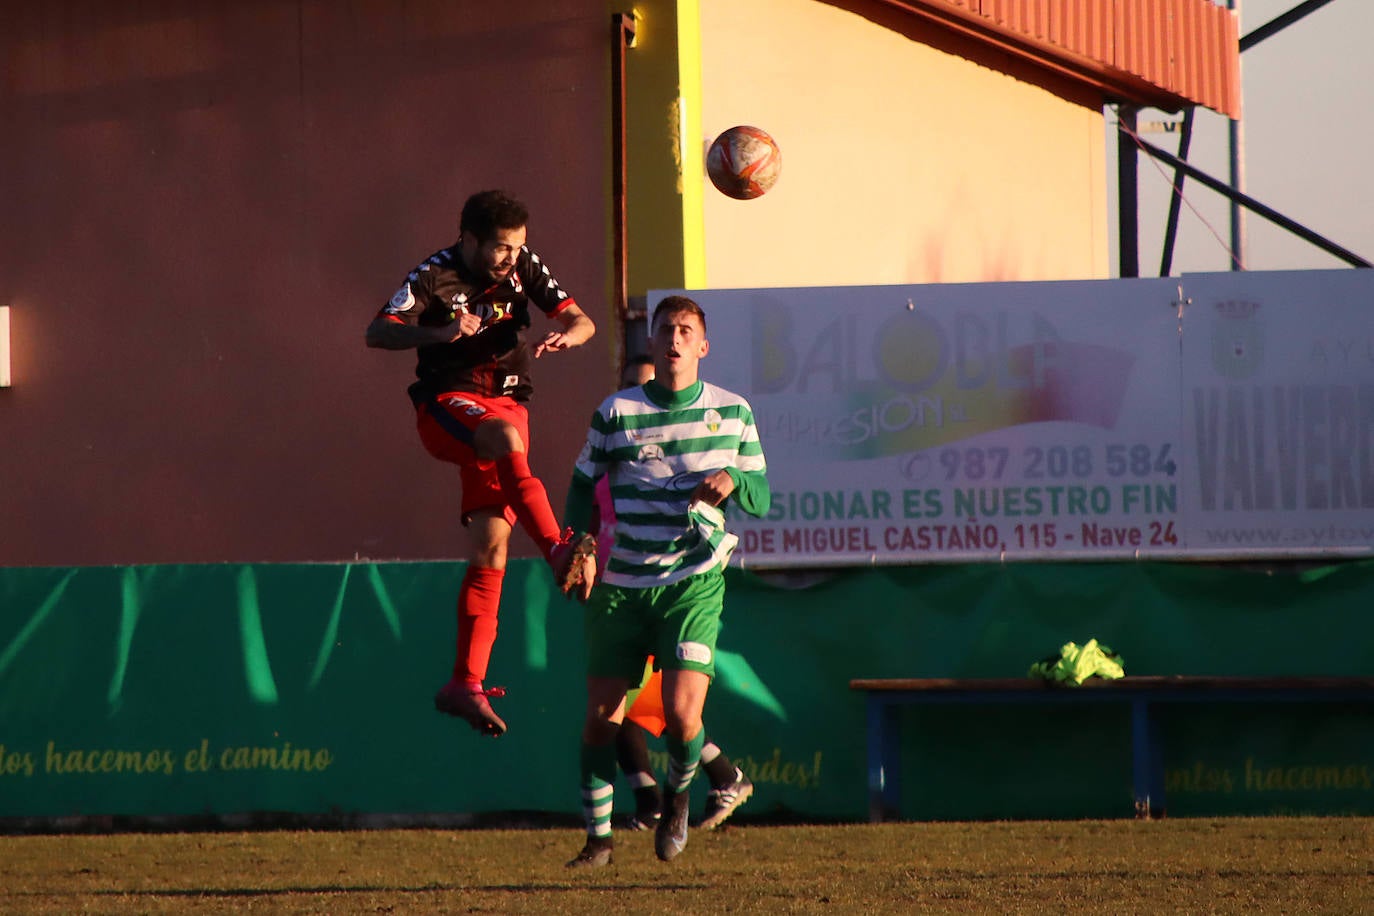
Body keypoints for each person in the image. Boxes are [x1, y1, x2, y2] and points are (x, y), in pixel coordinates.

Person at [365, 190, 598, 739]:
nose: (509, 257)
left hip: (510, 406)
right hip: (450, 406)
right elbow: (377, 332)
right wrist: (440, 332)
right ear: (467, 240)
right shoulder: (433, 275)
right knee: (502, 438)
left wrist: (570, 333)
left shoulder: (526, 264)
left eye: (516, 246)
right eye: (498, 248)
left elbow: (582, 319)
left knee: (492, 545)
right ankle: (558, 548)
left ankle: (466, 683)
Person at [561, 295, 770, 867]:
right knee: (602, 718)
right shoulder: (616, 412)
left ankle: (677, 798)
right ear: (650, 344)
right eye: (665, 330)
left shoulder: (733, 413)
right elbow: (582, 484)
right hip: (622, 583)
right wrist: (576, 544)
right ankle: (599, 841)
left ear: (703, 346)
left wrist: (733, 480)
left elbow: (762, 495)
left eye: (686, 330)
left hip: (693, 581)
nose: (674, 339)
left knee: (681, 715)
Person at [598, 355, 754, 834]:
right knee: (623, 709)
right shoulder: (612, 448)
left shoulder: (700, 435)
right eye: (635, 387)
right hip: (616, 588)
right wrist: (582, 558)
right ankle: (702, 785)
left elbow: (746, 488)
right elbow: (588, 512)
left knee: (664, 709)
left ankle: (680, 794)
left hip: (674, 585)